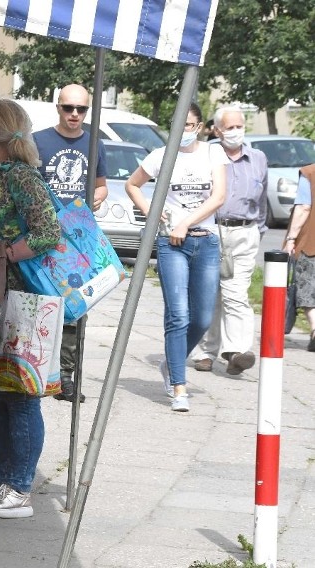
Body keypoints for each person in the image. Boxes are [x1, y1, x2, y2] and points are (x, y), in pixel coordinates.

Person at [0, 98, 60, 518]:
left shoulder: (22, 176)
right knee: (2, 391)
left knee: (21, 395)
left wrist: (6, 254)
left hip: (27, 302)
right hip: (3, 299)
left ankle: (19, 485)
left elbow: (48, 232)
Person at [125, 102, 228, 412]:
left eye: (188, 125)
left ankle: (173, 362)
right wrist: (154, 214)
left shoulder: (212, 153)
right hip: (171, 244)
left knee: (202, 317)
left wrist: (186, 222)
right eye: (177, 125)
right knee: (178, 315)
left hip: (205, 241)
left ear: (197, 127)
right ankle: (178, 386)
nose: (182, 131)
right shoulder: (160, 156)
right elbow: (133, 185)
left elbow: (218, 196)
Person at [32, 84, 108, 403]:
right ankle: (34, 370)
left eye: (81, 109)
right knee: (42, 304)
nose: (75, 114)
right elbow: (30, 188)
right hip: (47, 236)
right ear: (58, 108)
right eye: (69, 108)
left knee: (77, 306)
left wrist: (94, 201)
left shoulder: (94, 143)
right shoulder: (39, 141)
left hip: (80, 239)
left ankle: (66, 377)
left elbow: (101, 187)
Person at [191, 107, 267, 375]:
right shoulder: (207, 154)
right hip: (212, 230)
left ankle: (237, 351)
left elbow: (261, 199)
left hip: (245, 232)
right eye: (230, 127)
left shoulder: (258, 158)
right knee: (209, 293)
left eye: (240, 126)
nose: (236, 131)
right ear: (218, 130)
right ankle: (205, 352)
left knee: (236, 293)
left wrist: (259, 228)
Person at [282, 164, 315, 351]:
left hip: (310, 241)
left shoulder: (310, 173)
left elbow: (304, 207)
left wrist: (291, 238)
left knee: (307, 288)